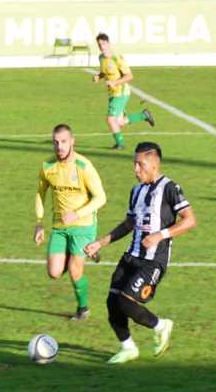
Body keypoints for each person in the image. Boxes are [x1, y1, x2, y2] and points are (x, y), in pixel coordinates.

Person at [84, 142, 196, 364]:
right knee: (112, 302)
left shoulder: (170, 188)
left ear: (154, 164)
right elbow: (128, 224)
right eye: (134, 164)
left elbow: (190, 220)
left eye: (140, 164)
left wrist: (160, 235)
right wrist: (101, 243)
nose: (135, 169)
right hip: (131, 255)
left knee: (126, 301)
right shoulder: (136, 191)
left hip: (153, 261)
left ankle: (161, 325)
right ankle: (128, 348)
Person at [34, 124, 108, 321]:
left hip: (83, 226)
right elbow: (40, 194)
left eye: (64, 142)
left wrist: (77, 213)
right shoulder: (48, 167)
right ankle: (80, 252)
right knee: (54, 273)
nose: (60, 147)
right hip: (59, 227)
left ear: (72, 142)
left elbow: (101, 198)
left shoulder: (84, 167)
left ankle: (83, 309)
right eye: (56, 143)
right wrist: (39, 222)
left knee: (75, 271)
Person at [93, 32, 154, 150]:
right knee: (119, 121)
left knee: (111, 119)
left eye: (104, 43)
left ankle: (120, 144)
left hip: (121, 92)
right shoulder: (101, 58)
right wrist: (98, 76)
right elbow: (104, 72)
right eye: (99, 44)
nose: (102, 46)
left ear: (108, 43)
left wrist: (114, 83)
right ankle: (143, 115)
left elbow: (129, 76)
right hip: (112, 93)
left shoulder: (117, 57)